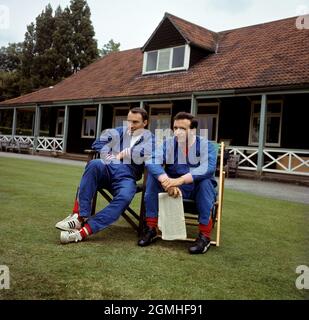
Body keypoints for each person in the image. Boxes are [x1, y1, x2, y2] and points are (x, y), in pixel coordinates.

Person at [55, 108, 151, 244]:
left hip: (127, 177)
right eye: (129, 121)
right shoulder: (119, 131)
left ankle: (83, 232)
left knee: (124, 197)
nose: (131, 125)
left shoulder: (150, 138)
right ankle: (79, 217)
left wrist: (129, 152)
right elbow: (98, 143)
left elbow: (149, 151)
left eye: (135, 122)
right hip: (108, 167)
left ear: (145, 122)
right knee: (94, 164)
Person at [138, 112, 218, 254]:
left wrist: (178, 181)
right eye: (175, 128)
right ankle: (151, 228)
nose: (177, 132)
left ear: (193, 130)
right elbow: (152, 160)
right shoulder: (169, 143)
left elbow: (208, 168)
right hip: (171, 186)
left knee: (206, 182)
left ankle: (204, 237)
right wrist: (165, 181)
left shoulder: (207, 145)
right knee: (152, 176)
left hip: (196, 188)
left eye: (182, 129)